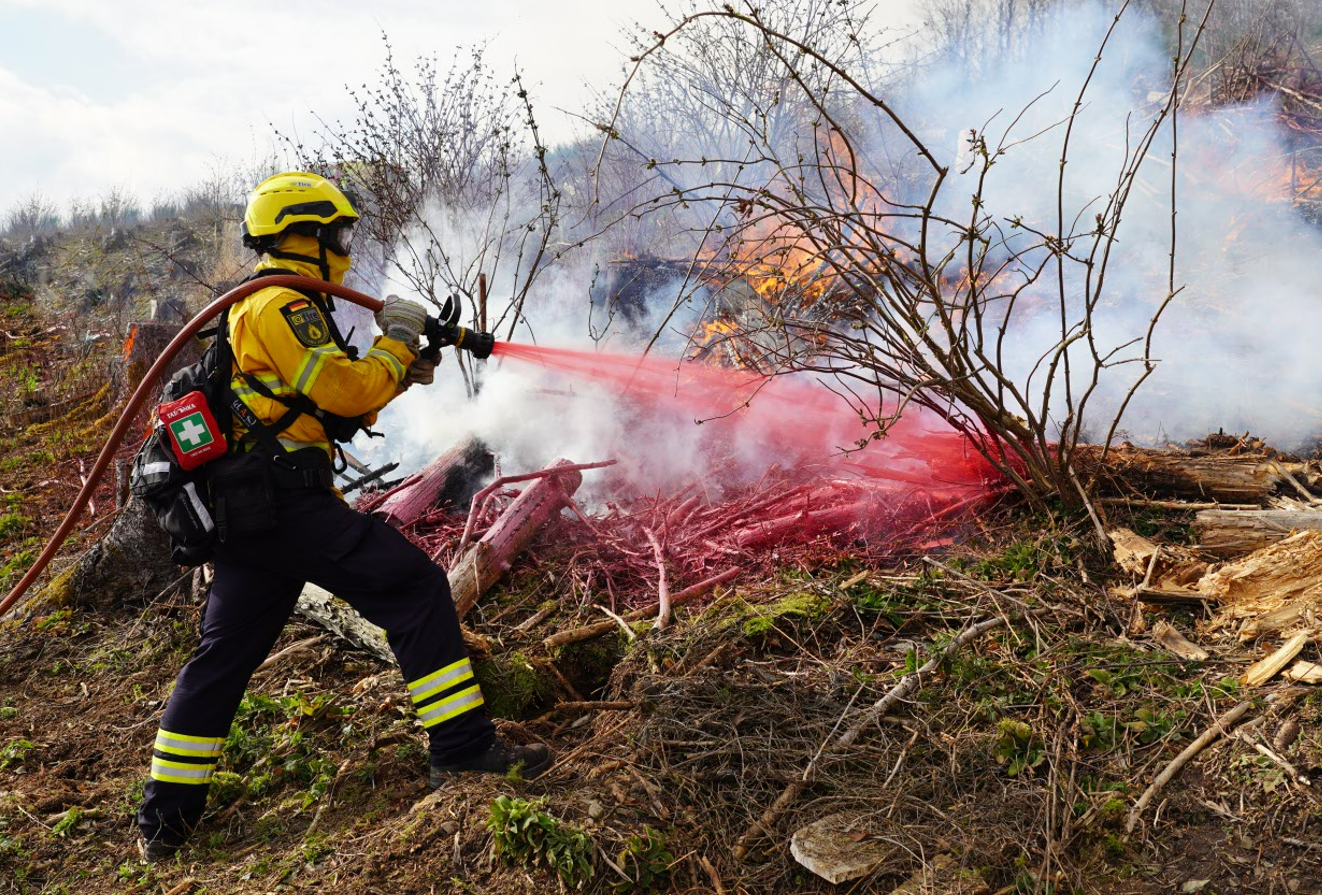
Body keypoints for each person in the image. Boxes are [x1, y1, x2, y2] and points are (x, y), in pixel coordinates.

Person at [136, 172, 549, 861]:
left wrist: (405, 361)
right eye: (339, 233)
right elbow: (343, 386)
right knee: (414, 588)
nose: (346, 247)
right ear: (305, 234)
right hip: (284, 506)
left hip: (257, 514)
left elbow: (337, 407)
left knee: (223, 658)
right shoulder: (276, 305)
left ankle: (164, 821)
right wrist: (391, 347)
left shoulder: (284, 304)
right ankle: (462, 749)